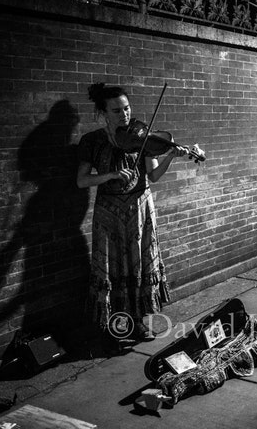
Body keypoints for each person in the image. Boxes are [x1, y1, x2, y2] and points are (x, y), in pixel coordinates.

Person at [77, 82, 185, 341]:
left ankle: (138, 322)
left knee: (138, 265)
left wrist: (170, 156)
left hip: (139, 210)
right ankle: (116, 326)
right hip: (108, 213)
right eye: (116, 111)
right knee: (112, 269)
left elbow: (154, 175)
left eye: (126, 109)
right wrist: (111, 175)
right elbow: (82, 180)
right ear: (103, 113)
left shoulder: (143, 139)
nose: (124, 115)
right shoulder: (92, 141)